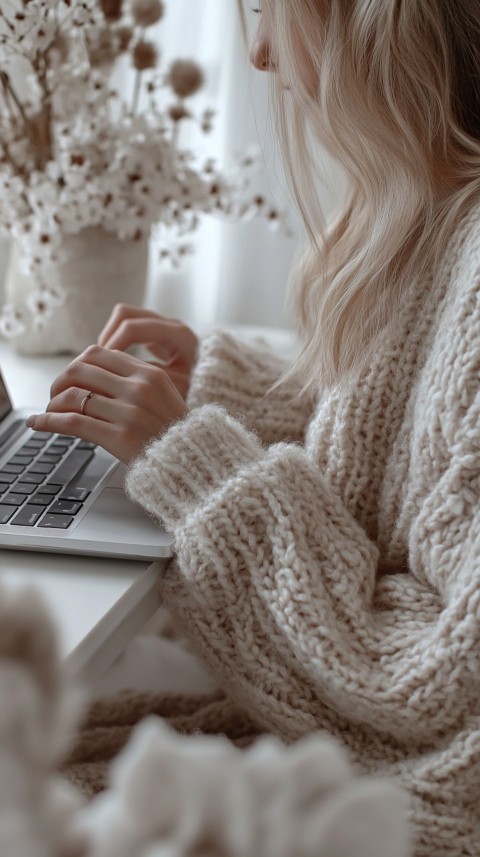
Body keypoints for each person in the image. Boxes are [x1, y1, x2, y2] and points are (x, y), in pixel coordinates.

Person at [26, 1, 480, 853]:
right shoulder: (442, 211)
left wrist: (197, 465)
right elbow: (414, 464)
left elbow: (443, 685)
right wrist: (221, 391)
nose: (262, 53)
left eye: (270, 8)